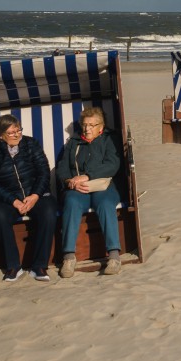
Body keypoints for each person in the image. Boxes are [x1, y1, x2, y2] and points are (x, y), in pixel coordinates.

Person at [0, 114, 58, 282]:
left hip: (36, 194)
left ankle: (39, 265)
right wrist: (13, 201)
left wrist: (35, 196)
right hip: (8, 198)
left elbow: (44, 171)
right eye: (12, 132)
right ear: (1, 136)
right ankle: (13, 265)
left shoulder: (31, 144)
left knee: (49, 212)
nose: (17, 135)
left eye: (18, 130)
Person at [55, 107, 123, 278]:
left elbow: (112, 164)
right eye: (85, 125)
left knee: (106, 204)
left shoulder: (109, 139)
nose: (87, 129)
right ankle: (69, 257)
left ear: (101, 126)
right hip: (78, 189)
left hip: (103, 186)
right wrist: (69, 181)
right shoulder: (74, 142)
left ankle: (114, 255)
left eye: (92, 125)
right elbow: (62, 167)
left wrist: (87, 176)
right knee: (71, 202)